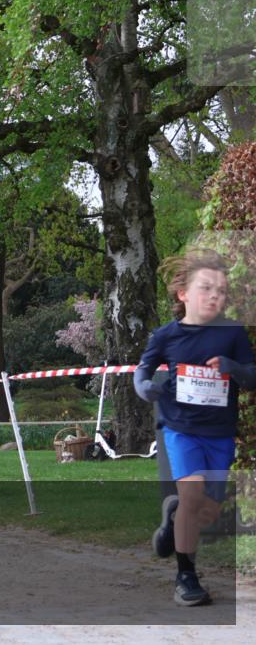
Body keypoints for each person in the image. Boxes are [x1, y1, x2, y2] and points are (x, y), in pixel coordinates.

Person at [135, 249, 255, 607]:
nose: (215, 295)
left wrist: (232, 367)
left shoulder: (232, 334)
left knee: (208, 508)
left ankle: (174, 518)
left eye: (221, 290)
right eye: (206, 288)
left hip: (219, 433)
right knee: (192, 496)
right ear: (183, 294)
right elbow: (142, 372)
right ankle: (185, 576)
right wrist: (145, 388)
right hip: (180, 428)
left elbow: (252, 377)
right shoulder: (165, 336)